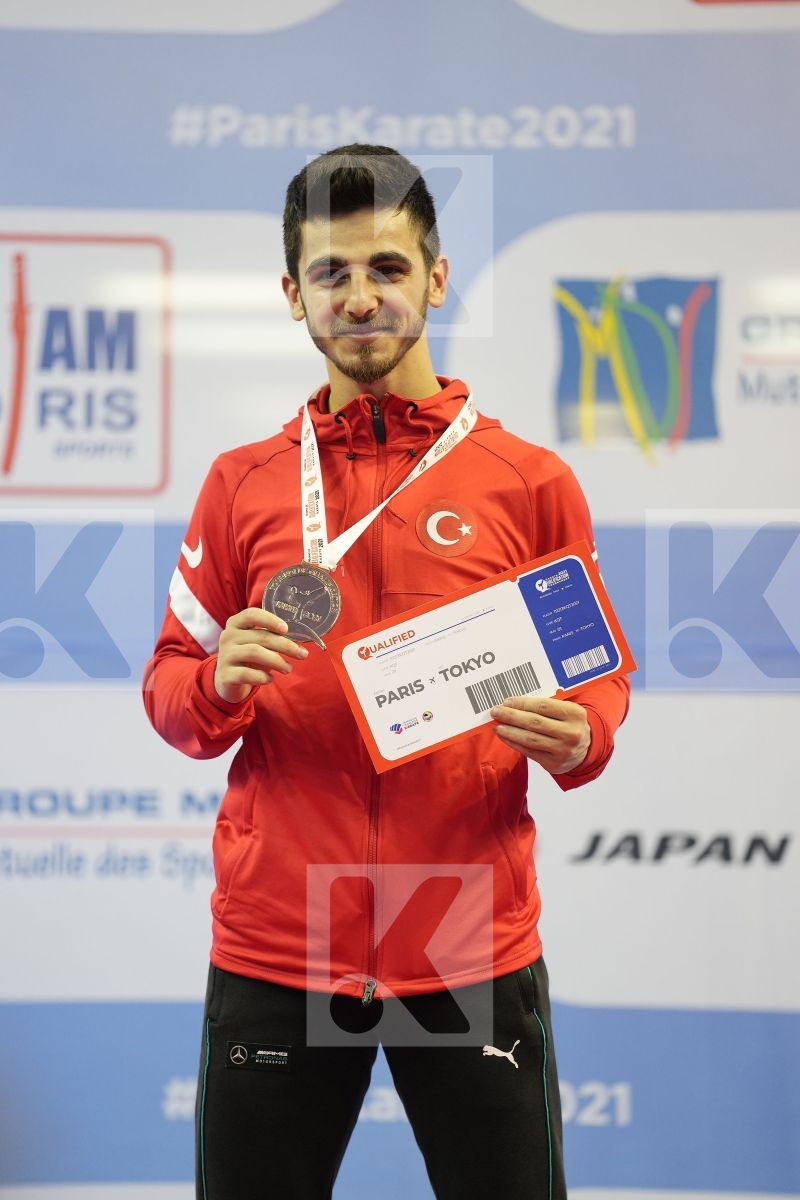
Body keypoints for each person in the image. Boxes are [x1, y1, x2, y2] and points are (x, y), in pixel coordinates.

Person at [143, 144, 630, 1200]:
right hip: (280, 936)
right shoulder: (242, 487)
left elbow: (597, 688)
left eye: (387, 269)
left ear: (436, 278)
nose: (360, 298)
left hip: (460, 929)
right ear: (292, 296)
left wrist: (581, 735)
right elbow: (171, 694)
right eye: (331, 275)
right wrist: (215, 683)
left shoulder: (526, 482)